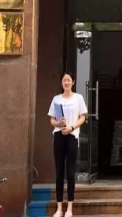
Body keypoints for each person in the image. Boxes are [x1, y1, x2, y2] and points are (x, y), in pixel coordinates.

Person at [48, 73, 88, 217]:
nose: (66, 82)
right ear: (61, 82)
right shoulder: (56, 99)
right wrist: (59, 123)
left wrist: (71, 127)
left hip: (72, 135)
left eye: (68, 80)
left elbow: (82, 117)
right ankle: (59, 208)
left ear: (73, 82)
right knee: (59, 172)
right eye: (64, 80)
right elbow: (52, 120)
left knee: (70, 172)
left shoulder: (78, 98)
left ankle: (69, 208)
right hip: (59, 135)